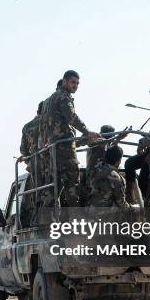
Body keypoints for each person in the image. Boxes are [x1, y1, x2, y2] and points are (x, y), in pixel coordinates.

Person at [38, 70, 100, 207]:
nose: (75, 86)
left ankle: (47, 219)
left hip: (51, 150)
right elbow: (71, 117)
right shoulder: (63, 97)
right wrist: (87, 132)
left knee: (53, 187)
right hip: (64, 150)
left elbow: (43, 127)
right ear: (64, 81)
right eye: (73, 82)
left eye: (77, 83)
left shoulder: (48, 100)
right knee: (72, 184)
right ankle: (74, 219)